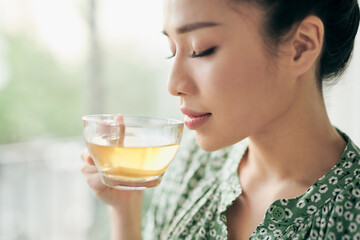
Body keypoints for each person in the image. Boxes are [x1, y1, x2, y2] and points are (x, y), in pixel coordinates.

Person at [81, 0, 360, 239]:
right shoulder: (192, 164)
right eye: (172, 50)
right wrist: (125, 211)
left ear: (301, 46)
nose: (174, 84)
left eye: (201, 49)